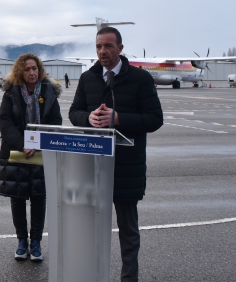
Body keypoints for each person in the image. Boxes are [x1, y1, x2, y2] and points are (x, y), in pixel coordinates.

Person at [68, 27, 163, 282]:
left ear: (120, 48)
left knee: (128, 231)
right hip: (93, 167)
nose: (102, 51)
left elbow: (155, 119)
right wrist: (89, 117)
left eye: (108, 46)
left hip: (126, 168)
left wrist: (118, 118)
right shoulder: (88, 78)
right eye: (99, 46)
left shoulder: (140, 79)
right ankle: (91, 275)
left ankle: (129, 278)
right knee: (91, 230)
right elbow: (73, 113)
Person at [0, 53, 62, 262]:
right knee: (17, 199)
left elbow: (56, 122)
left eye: (35, 68)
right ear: (20, 72)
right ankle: (21, 241)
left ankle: (35, 243)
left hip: (40, 153)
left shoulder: (49, 93)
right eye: (27, 69)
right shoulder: (11, 93)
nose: (32, 72)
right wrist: (23, 143)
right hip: (16, 152)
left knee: (38, 198)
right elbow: (5, 121)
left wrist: (37, 143)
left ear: (39, 69)